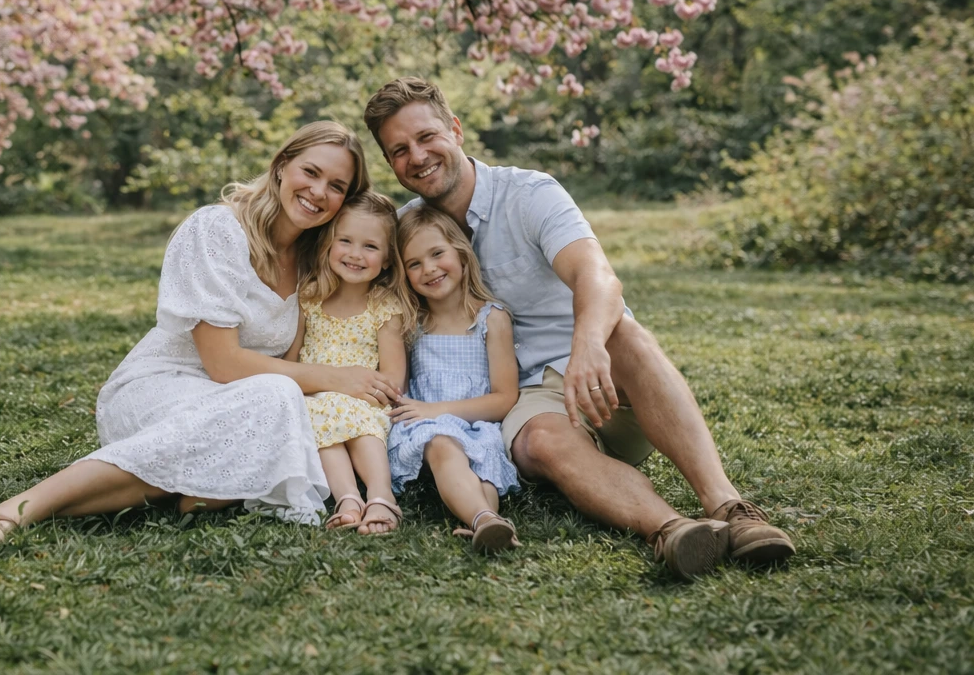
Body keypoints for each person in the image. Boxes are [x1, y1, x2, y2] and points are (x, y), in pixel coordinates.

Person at [364, 77, 795, 578]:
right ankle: (673, 530)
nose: (417, 156)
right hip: (524, 401)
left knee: (624, 333)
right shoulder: (406, 231)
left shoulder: (529, 194)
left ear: (455, 130)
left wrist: (588, 344)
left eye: (426, 137)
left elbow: (598, 276)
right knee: (541, 439)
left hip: (603, 380)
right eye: (399, 150)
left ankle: (729, 508)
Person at [0, 121, 402, 548]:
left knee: (280, 409)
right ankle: (12, 511)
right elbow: (224, 364)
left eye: (337, 186)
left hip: (242, 402)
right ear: (281, 165)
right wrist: (336, 377)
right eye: (311, 172)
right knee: (276, 397)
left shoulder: (316, 260)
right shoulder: (217, 230)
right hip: (165, 387)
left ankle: (190, 490)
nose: (319, 192)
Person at [387, 205, 522, 553]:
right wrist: (430, 414)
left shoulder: (492, 318)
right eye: (414, 264)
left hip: (478, 422)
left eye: (437, 254)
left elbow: (505, 398)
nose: (429, 269)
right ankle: (484, 520)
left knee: (486, 459)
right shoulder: (409, 322)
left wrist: (438, 409)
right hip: (426, 425)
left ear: (461, 254)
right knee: (443, 444)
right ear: (403, 273)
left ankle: (488, 520)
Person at [283, 191, 416, 535]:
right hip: (314, 398)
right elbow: (290, 362)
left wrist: (358, 395)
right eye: (345, 241)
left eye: (370, 247)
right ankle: (348, 499)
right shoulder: (310, 297)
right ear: (329, 244)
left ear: (388, 259)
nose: (355, 255)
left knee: (356, 420)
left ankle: (381, 496)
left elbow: (392, 380)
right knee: (319, 415)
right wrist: (325, 387)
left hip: (366, 402)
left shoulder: (384, 307)